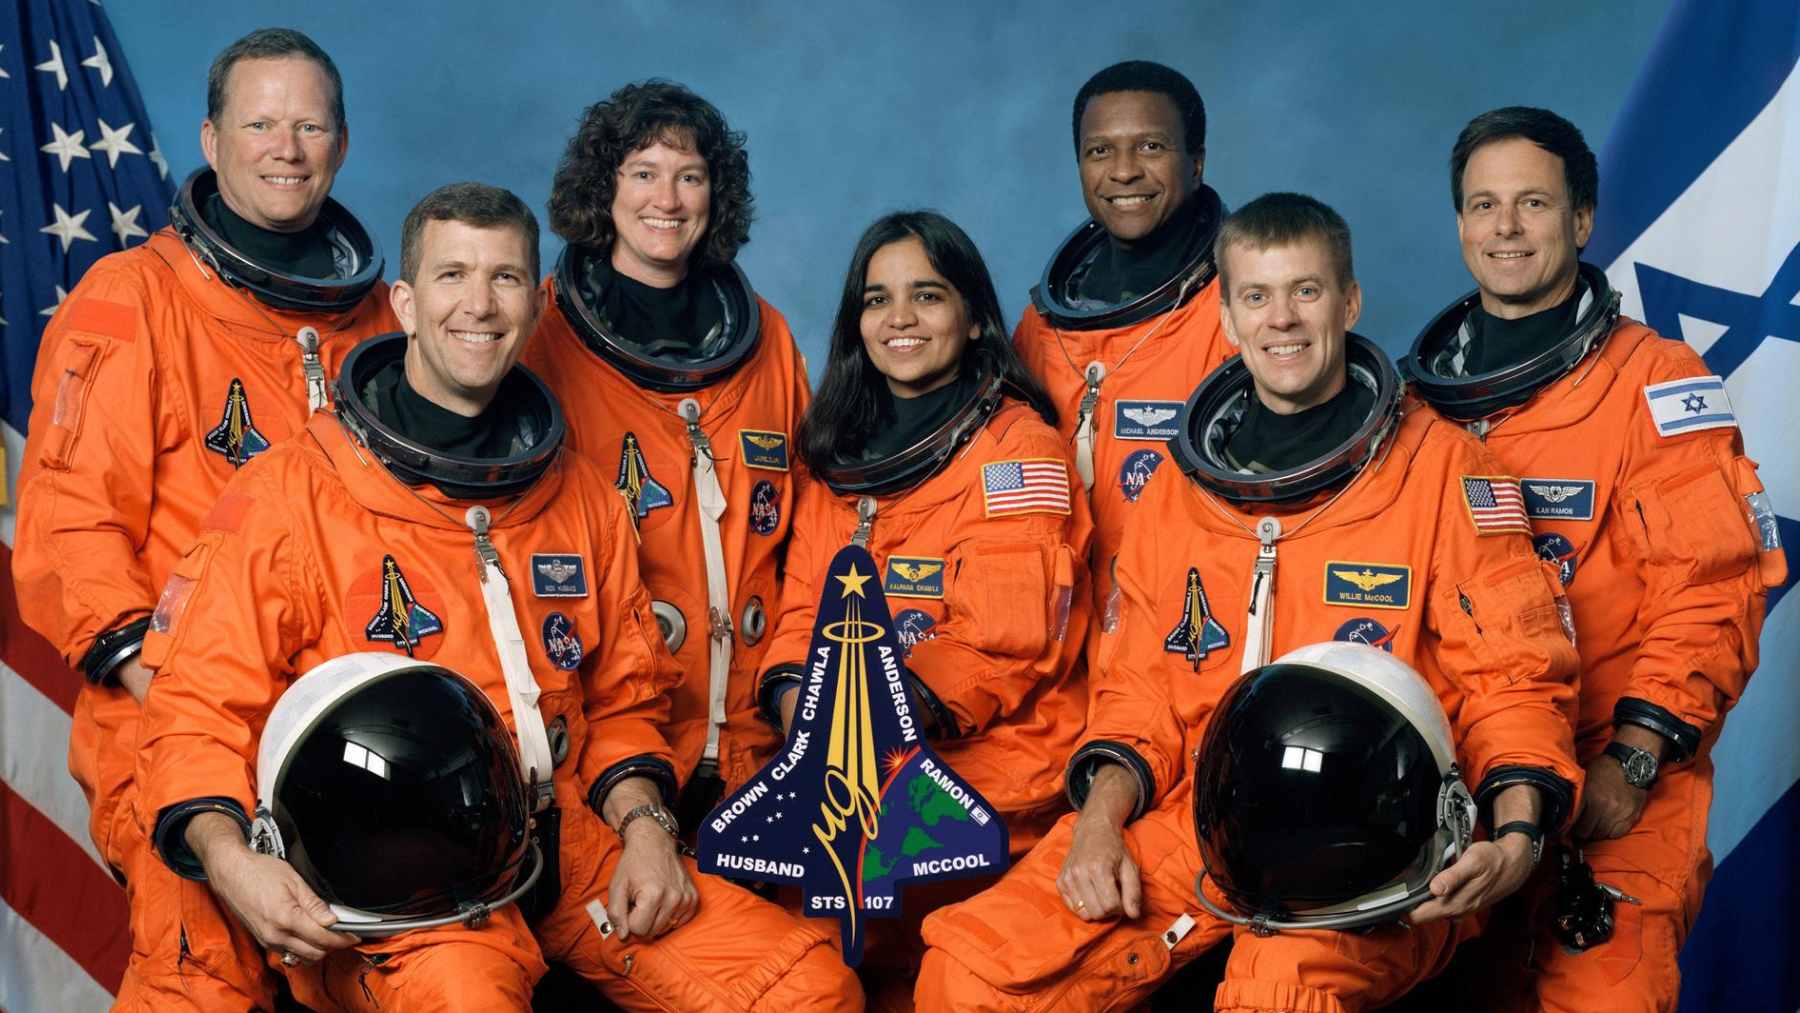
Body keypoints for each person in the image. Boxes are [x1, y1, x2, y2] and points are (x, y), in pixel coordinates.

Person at [133, 182, 862, 1011]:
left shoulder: (583, 496)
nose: (478, 305)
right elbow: (194, 710)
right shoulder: (291, 496)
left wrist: (647, 829)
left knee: (810, 987)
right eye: (452, 276)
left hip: (569, 842)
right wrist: (235, 863)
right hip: (402, 884)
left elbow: (624, 699)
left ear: (535, 303)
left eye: (506, 278)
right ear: (404, 302)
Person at [916, 193, 1583, 1011]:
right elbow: (1138, 698)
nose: (1284, 321)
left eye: (1306, 291)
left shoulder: (1446, 474)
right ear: (1228, 317)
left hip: (1381, 837)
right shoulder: (1176, 493)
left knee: (1278, 992)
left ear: (1350, 301)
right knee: (970, 969)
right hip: (1195, 818)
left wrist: (1515, 833)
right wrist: (1096, 824)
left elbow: (1514, 680)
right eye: (1258, 297)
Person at [11, 27, 395, 1010]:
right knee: (205, 972)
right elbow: (70, 530)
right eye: (260, 122)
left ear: (342, 145)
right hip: (177, 716)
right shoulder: (132, 301)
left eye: (310, 124)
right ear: (212, 141)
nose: (287, 146)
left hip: (342, 723)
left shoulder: (383, 333)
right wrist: (177, 693)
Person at [1402, 107, 1785, 1012]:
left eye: (1531, 202)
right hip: (1459, 787)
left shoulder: (1657, 383)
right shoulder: (1415, 405)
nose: (1504, 227)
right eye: (1484, 205)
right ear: (1460, 223)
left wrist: (1638, 756)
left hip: (1611, 786)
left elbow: (1713, 589)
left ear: (1580, 220)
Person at [757, 209, 1092, 991]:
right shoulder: (837, 453)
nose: (899, 318)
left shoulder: (1017, 452)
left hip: (990, 790)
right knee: (795, 973)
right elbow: (802, 611)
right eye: (876, 299)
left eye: (927, 296)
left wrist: (872, 726)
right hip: (851, 786)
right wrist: (796, 717)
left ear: (975, 318)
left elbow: (1002, 643)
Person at [524, 81, 811, 830]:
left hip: (762, 737)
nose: (669, 199)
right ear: (603, 187)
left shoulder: (768, 341)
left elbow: (812, 531)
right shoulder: (540, 342)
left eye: (691, 176)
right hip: (617, 755)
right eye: (643, 172)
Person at [1012, 60, 1236, 613]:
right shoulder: (1043, 325)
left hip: (1177, 629)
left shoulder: (1242, 310)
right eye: (1100, 151)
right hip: (1056, 642)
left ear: (1197, 163)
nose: (1124, 171)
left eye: (1151, 147)